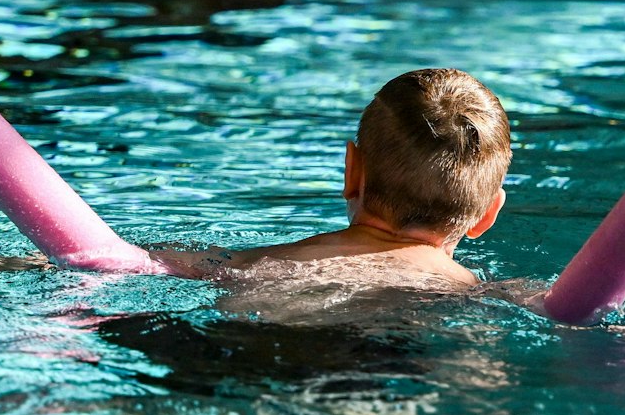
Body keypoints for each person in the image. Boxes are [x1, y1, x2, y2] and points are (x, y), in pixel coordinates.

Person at [157, 68, 511, 291]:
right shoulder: (473, 291)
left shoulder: (238, 265)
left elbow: (114, 257)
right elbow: (562, 309)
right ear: (488, 214)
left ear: (351, 172)